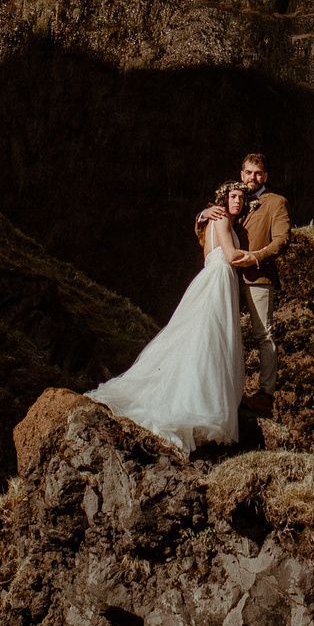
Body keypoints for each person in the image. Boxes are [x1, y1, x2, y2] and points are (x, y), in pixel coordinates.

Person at [85, 181, 248, 453]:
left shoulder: (213, 219)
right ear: (223, 198)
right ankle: (195, 405)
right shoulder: (220, 218)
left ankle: (197, 401)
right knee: (209, 338)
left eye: (241, 198)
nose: (238, 202)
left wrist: (201, 215)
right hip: (219, 278)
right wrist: (259, 256)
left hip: (213, 277)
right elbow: (230, 255)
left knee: (201, 338)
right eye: (234, 196)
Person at [196, 153, 288, 406]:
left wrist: (255, 257)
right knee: (224, 332)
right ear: (241, 174)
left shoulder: (276, 202)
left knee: (264, 335)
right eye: (248, 173)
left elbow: (282, 240)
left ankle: (265, 394)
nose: (252, 177)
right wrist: (203, 213)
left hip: (258, 276)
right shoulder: (234, 200)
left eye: (258, 173)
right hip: (229, 277)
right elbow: (212, 229)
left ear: (265, 176)